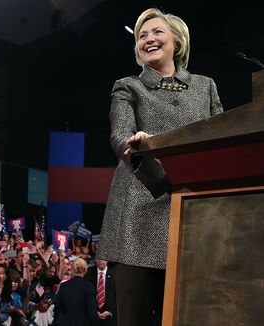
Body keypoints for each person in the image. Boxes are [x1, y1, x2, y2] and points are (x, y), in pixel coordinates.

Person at [97, 8, 223, 326]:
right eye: (142, 36)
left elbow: (221, 137)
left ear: (177, 42)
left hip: (194, 221)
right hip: (136, 223)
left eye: (156, 32)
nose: (148, 39)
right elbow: (119, 134)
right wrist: (137, 145)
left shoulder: (206, 87)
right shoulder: (127, 86)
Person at [52, 258, 97, 326]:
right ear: (85, 270)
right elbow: (92, 311)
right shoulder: (89, 287)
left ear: (73, 269)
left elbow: (57, 308)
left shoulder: (63, 286)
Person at [85, 259, 116, 326]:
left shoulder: (114, 275)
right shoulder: (88, 274)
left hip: (110, 318)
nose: (100, 260)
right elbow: (85, 295)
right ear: (95, 260)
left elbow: (118, 296)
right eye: (98, 258)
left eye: (102, 258)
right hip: (92, 317)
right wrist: (93, 311)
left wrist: (111, 311)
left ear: (107, 260)